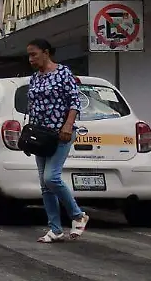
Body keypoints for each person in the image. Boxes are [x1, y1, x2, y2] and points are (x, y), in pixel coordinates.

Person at [26, 38, 90, 243]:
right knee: (45, 186)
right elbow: (32, 108)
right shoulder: (35, 78)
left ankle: (78, 215)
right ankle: (55, 229)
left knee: (51, 178)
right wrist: (29, 137)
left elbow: (75, 102)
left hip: (60, 134)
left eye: (34, 54)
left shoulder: (63, 73)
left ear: (46, 53)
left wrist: (68, 125)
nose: (31, 59)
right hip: (40, 136)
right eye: (29, 55)